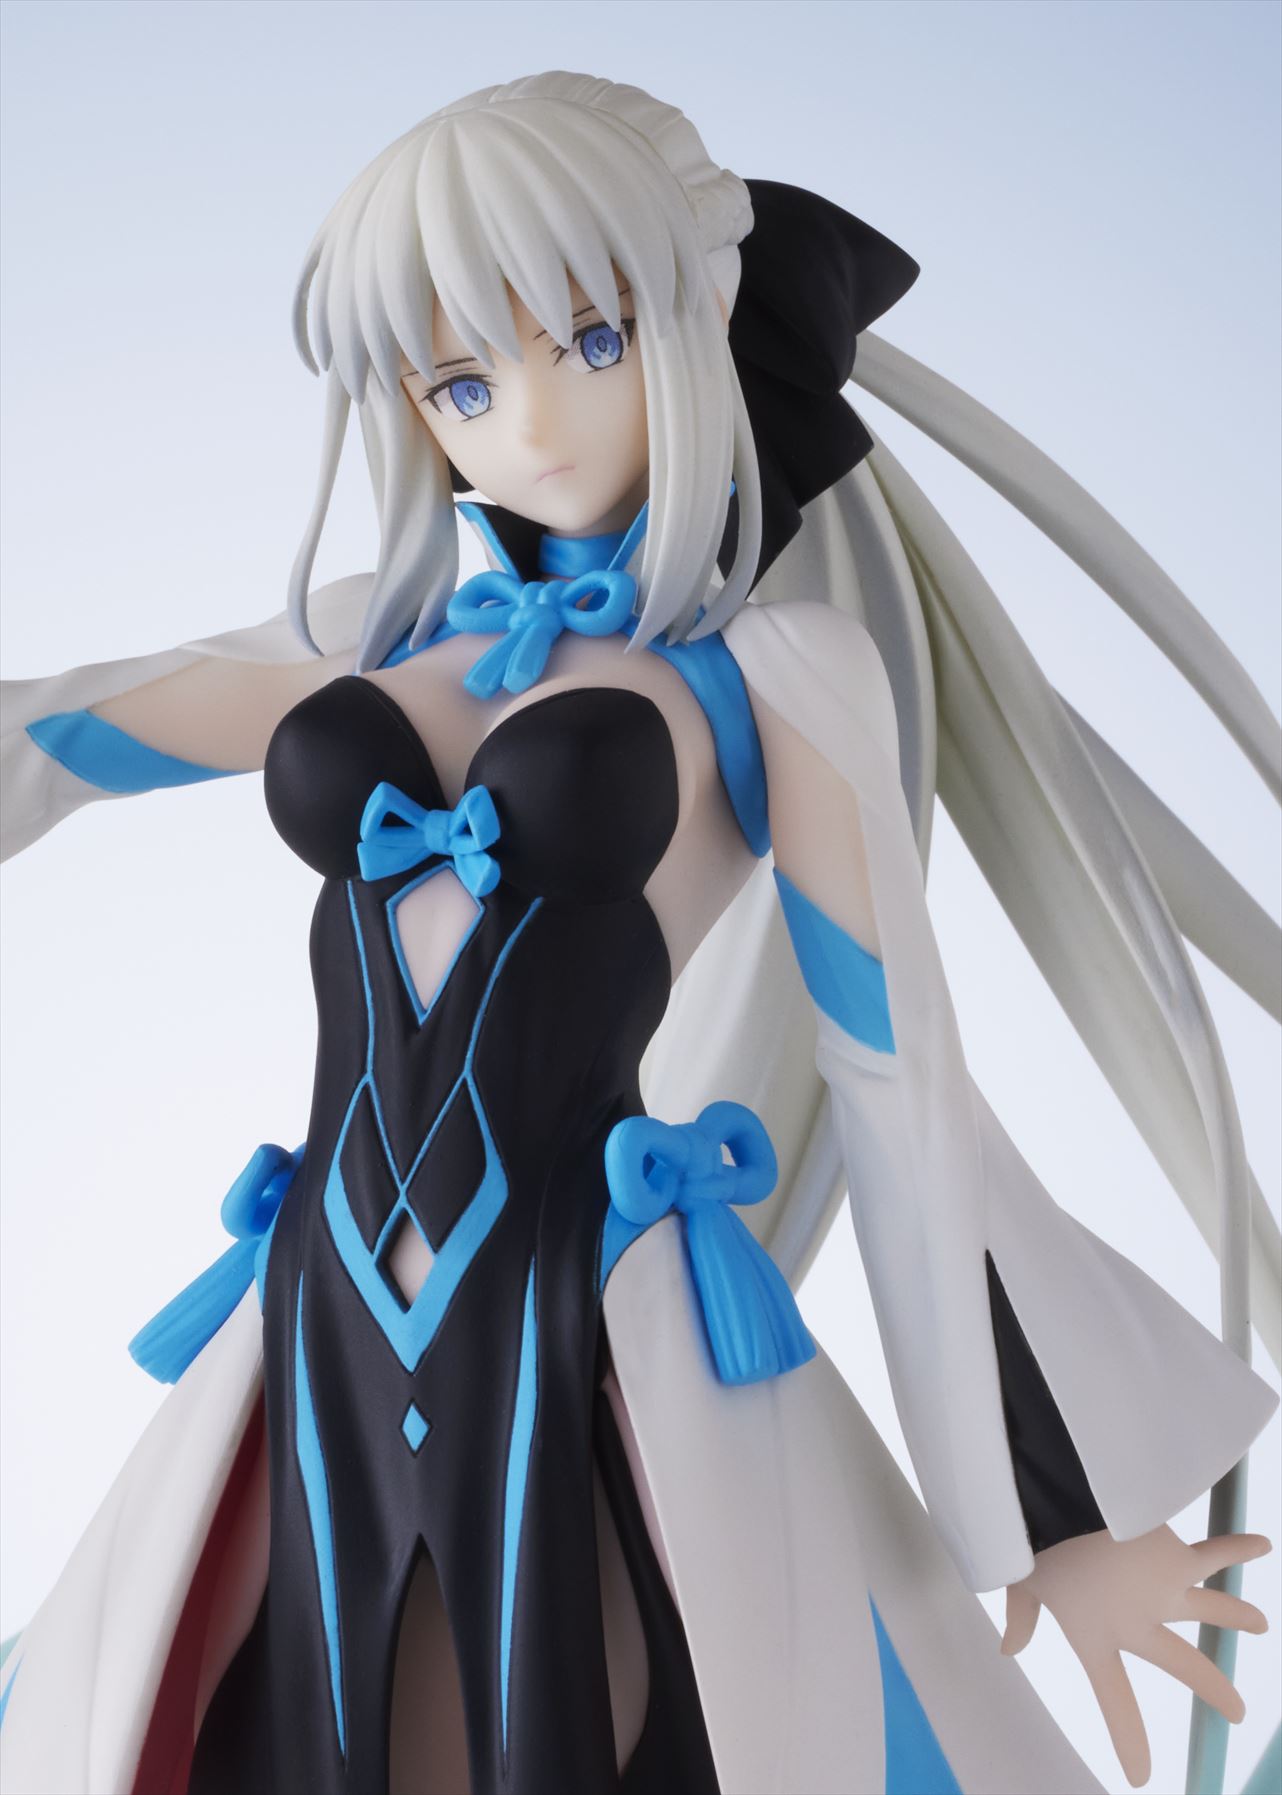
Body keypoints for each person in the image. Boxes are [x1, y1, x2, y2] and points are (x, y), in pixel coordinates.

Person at [0, 69, 1276, 1795]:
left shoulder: (777, 680)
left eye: (590, 341)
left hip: (587, 1302)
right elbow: (58, 736)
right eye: (461, 380)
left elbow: (898, 1080)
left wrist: (1060, 1521)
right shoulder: (371, 643)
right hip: (319, 1296)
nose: (527, 422)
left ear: (695, 321)